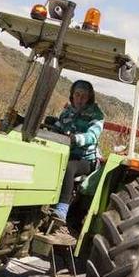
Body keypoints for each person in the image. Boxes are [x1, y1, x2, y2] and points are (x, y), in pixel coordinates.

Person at [51, 79, 104, 222]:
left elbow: (92, 135)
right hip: (64, 152)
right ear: (72, 95)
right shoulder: (67, 112)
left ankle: (62, 209)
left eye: (84, 96)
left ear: (89, 98)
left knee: (68, 167)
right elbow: (58, 126)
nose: (80, 99)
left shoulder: (96, 116)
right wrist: (50, 130)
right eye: (77, 94)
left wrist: (76, 139)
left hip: (85, 159)